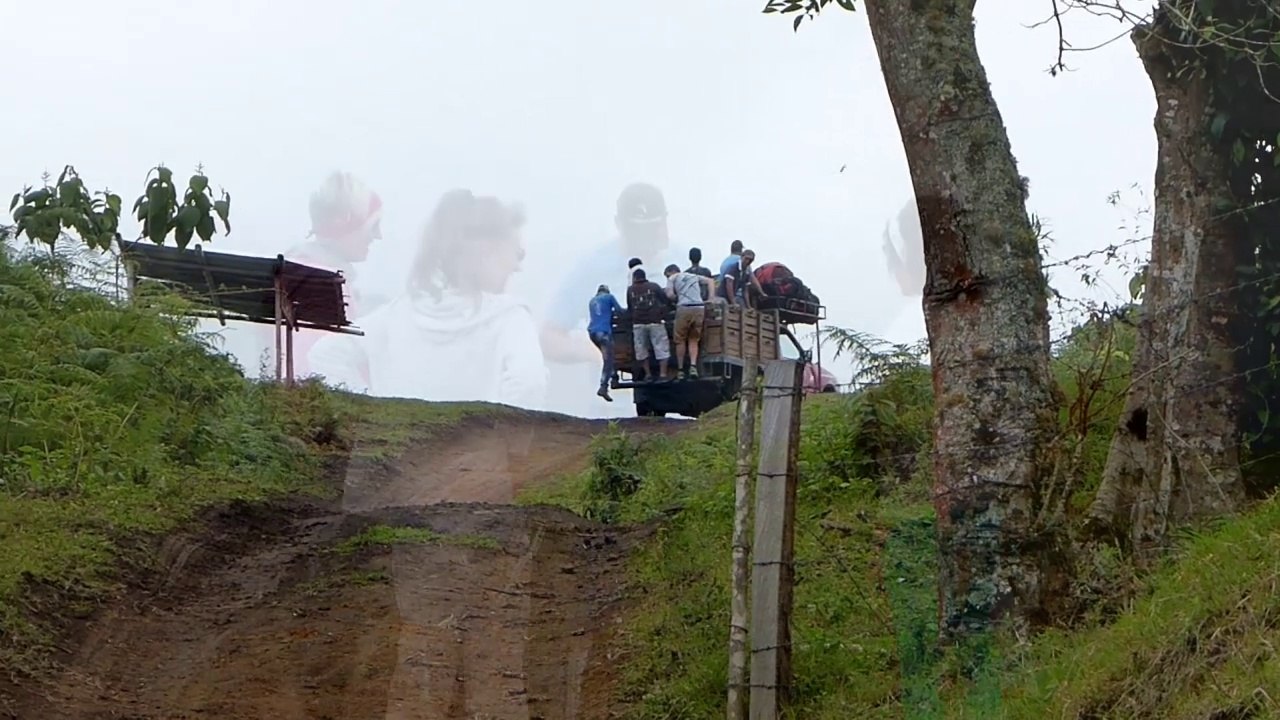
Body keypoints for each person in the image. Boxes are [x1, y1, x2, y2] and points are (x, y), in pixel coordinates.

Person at [307, 188, 547, 409]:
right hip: (480, 453)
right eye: (518, 253)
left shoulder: (394, 316)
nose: (517, 267)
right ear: (489, 251)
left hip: (396, 451)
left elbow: (325, 356)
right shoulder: (509, 319)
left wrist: (372, 416)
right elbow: (529, 382)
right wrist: (503, 442)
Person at [265, 171, 384, 380]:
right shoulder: (322, 284)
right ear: (346, 224)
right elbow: (309, 362)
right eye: (373, 226)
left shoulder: (296, 272)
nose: (378, 236)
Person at [664, 263, 714, 378]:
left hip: (684, 308)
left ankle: (681, 370)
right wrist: (711, 298)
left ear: (671, 272)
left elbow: (669, 295)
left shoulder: (672, 278)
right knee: (693, 339)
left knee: (680, 340)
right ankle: (693, 367)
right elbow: (710, 281)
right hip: (699, 308)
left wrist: (677, 298)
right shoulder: (693, 276)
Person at [626, 268, 672, 382]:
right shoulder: (654, 286)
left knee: (641, 350)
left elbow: (630, 307)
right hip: (655, 322)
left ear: (635, 278)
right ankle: (663, 374)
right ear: (645, 276)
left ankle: (648, 374)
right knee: (661, 348)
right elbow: (665, 301)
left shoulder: (630, 290)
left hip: (638, 324)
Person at [587, 284, 621, 401]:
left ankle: (614, 375)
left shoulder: (592, 301)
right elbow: (619, 311)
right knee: (609, 359)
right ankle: (603, 386)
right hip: (604, 332)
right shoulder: (609, 297)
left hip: (592, 333)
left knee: (608, 356)